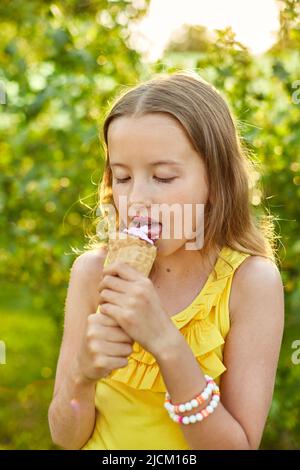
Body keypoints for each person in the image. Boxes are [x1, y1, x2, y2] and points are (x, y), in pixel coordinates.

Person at [48, 71, 284, 450]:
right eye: (122, 178)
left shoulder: (251, 283)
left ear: (216, 181)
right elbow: (65, 436)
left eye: (163, 176)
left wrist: (165, 342)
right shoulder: (94, 274)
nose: (138, 198)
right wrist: (82, 375)